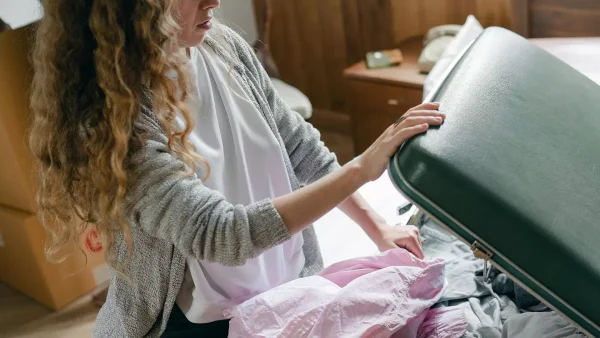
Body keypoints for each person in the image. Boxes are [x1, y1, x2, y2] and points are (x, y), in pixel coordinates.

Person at [29, 1, 445, 337]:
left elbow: (298, 146)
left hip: (286, 288)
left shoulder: (222, 45)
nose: (215, 1)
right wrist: (360, 168)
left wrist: (377, 227)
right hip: (204, 322)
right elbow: (219, 234)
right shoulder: (111, 120)